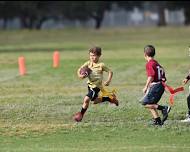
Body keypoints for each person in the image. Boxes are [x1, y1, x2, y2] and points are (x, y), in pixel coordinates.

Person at [74, 46, 119, 122]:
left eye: (94, 56)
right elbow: (79, 69)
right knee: (95, 101)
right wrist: (80, 75)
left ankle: (80, 115)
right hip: (89, 85)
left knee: (86, 99)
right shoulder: (88, 63)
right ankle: (109, 98)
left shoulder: (101, 65)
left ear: (99, 56)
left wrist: (108, 81)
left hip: (96, 87)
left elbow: (110, 72)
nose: (92, 57)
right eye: (91, 55)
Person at [141, 45, 171, 126]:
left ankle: (164, 108)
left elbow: (151, 76)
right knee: (152, 103)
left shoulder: (149, 64)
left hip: (156, 86)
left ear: (145, 54)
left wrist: (146, 86)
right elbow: (163, 75)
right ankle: (157, 121)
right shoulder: (156, 63)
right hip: (160, 85)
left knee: (145, 103)